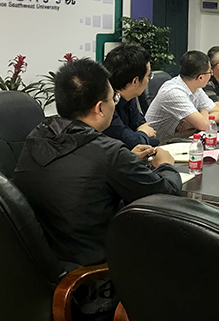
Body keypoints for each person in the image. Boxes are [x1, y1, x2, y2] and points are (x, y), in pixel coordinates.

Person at [12, 58, 182, 268]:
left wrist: (127, 159)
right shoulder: (108, 152)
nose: (115, 103)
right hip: (95, 268)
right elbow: (166, 194)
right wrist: (166, 165)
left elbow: (82, 166)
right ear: (100, 108)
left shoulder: (36, 136)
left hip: (41, 262)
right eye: (114, 98)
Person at [146, 50, 219, 144]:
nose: (211, 75)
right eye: (210, 72)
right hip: (155, 145)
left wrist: (193, 123)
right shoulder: (174, 92)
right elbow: (204, 125)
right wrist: (203, 112)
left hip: (178, 138)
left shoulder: (196, 87)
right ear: (200, 77)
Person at [102, 43, 159, 148]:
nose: (148, 80)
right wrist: (143, 133)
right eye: (148, 76)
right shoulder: (105, 104)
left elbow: (146, 129)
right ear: (135, 81)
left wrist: (140, 135)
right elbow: (132, 142)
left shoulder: (128, 97)